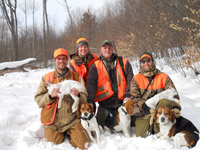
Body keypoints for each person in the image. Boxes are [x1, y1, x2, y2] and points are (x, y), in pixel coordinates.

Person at [34, 48, 90, 149]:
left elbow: (85, 97)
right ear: (54, 60)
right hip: (53, 122)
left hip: (73, 119)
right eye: (58, 58)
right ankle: (60, 134)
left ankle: (72, 133)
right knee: (52, 146)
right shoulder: (47, 78)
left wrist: (78, 95)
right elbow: (38, 100)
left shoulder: (77, 77)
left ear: (67, 60)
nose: (61, 61)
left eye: (64, 58)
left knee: (84, 145)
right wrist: (50, 96)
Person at [130, 51, 181, 138]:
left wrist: (176, 107)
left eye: (148, 60)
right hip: (145, 111)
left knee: (165, 101)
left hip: (161, 110)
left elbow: (174, 94)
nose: (146, 63)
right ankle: (153, 125)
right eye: (143, 61)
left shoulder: (163, 76)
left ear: (153, 61)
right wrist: (144, 106)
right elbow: (134, 97)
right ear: (140, 63)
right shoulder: (136, 78)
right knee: (141, 134)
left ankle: (162, 128)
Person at [86, 40, 133, 129]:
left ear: (112, 49)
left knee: (128, 124)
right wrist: (90, 102)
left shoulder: (123, 62)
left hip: (122, 104)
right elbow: (91, 86)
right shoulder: (95, 66)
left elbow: (131, 80)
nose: (107, 50)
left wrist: (127, 96)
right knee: (102, 126)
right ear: (101, 50)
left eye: (109, 48)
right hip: (104, 105)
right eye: (105, 48)